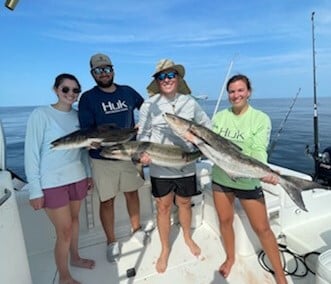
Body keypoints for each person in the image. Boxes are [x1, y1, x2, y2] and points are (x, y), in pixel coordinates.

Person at [210, 74, 287, 284]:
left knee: (262, 228)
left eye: (240, 90)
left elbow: (260, 151)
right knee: (225, 221)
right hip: (220, 178)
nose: (236, 95)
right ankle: (230, 257)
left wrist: (264, 172)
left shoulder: (260, 119)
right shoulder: (218, 117)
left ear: (249, 92)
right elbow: (209, 146)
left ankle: (280, 275)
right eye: (232, 91)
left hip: (248, 181)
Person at [137, 59, 211, 273]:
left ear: (178, 78)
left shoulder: (190, 103)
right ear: (157, 81)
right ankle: (165, 248)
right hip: (160, 165)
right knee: (163, 207)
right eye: (162, 76)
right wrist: (142, 156)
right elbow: (143, 136)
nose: (167, 80)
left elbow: (207, 127)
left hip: (186, 164)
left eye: (171, 75)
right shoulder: (148, 105)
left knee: (185, 203)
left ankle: (187, 237)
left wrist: (200, 140)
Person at [24, 73, 95, 284]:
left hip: (77, 177)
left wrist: (89, 174)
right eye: (65, 89)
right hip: (52, 182)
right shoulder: (41, 114)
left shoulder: (78, 117)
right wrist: (35, 190)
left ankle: (75, 257)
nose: (71, 94)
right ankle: (64, 276)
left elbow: (82, 150)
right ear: (56, 90)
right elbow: (31, 154)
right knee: (64, 231)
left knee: (74, 222)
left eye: (75, 90)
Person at [78, 53, 146, 263]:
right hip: (102, 157)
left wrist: (142, 125)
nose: (104, 73)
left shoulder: (128, 92)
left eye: (107, 68)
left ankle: (137, 230)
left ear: (113, 70)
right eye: (99, 70)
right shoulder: (88, 98)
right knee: (106, 201)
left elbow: (146, 109)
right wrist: (94, 140)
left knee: (132, 194)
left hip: (128, 153)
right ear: (93, 74)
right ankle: (111, 241)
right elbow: (87, 129)